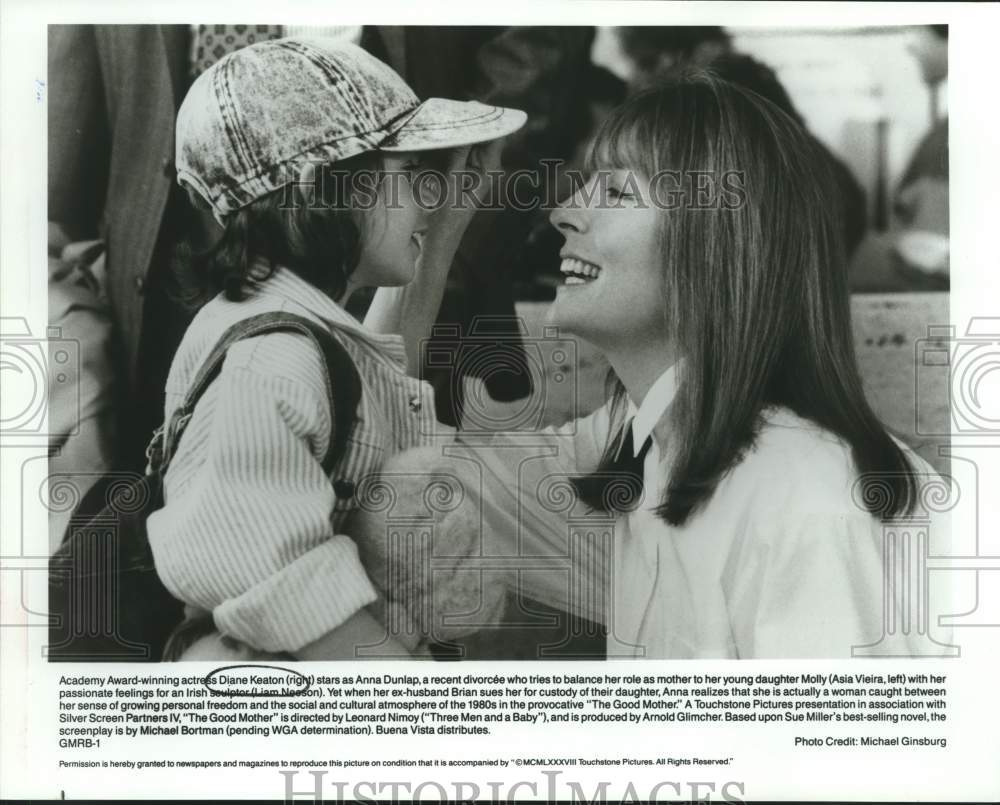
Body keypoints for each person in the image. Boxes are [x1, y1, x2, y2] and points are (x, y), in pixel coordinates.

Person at [374, 71, 952, 659]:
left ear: (717, 245)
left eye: (618, 192)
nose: (564, 213)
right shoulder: (636, 444)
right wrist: (439, 229)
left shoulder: (801, 494)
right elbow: (380, 457)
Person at [146, 38, 525, 660]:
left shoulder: (286, 324)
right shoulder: (269, 361)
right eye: (411, 175)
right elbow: (284, 589)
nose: (430, 196)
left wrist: (449, 222)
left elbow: (372, 387)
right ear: (330, 189)